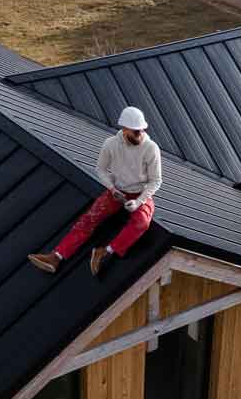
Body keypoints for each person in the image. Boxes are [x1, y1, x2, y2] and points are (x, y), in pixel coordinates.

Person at [28, 106, 162, 276]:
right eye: (134, 131)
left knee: (141, 223)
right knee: (90, 218)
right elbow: (101, 170)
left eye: (140, 130)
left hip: (140, 194)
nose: (139, 134)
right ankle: (56, 256)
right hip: (117, 191)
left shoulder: (151, 148)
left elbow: (156, 181)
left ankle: (104, 252)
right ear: (124, 129)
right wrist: (112, 189)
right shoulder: (111, 144)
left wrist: (139, 201)